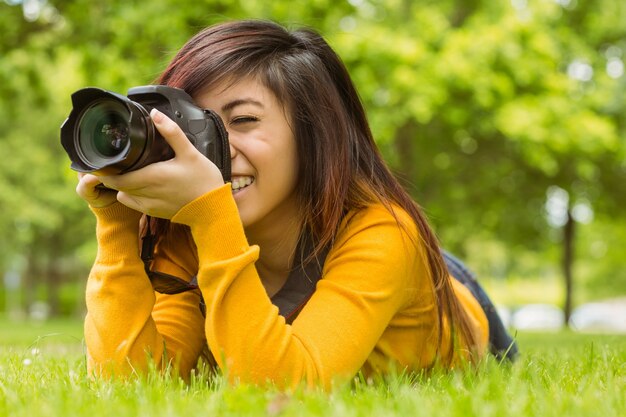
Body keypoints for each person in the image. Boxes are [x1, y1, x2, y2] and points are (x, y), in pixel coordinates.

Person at [76, 19, 516, 390]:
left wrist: (212, 214)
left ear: (312, 133)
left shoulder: (384, 232)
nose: (213, 151)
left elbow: (286, 390)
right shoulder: (188, 231)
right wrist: (117, 222)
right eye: (191, 126)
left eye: (243, 120)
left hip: (445, 295)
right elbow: (133, 383)